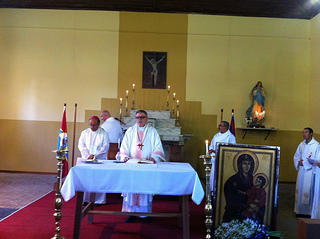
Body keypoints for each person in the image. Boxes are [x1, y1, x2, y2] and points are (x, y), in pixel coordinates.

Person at [118, 110, 165, 223]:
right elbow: (124, 146)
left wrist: (154, 157)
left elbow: (158, 147)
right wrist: (124, 157)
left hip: (146, 166)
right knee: (131, 187)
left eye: (142, 117)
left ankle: (145, 214)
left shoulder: (153, 131)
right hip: (132, 165)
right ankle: (131, 213)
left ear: (147, 119)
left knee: (145, 188)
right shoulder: (130, 131)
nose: (139, 119)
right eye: (138, 117)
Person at [78, 116, 109, 205]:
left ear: (99, 124)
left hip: (99, 160)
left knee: (99, 180)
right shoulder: (85, 133)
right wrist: (88, 156)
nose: (92, 127)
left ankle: (99, 200)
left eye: (94, 125)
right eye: (90, 125)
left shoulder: (104, 133)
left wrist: (94, 155)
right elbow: (81, 145)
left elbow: (105, 147)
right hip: (87, 160)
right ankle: (86, 200)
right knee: (87, 179)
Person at [293, 127, 319, 216]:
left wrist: (306, 163)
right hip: (301, 171)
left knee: (308, 190)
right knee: (300, 190)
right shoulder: (302, 144)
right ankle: (299, 211)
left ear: (311, 134)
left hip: (310, 172)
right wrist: (298, 162)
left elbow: (317, 159)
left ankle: (308, 212)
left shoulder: (316, 145)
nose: (304, 134)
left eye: (306, 132)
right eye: (303, 132)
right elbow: (296, 156)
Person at [223, 153, 255, 222]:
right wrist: (247, 206)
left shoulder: (255, 180)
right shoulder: (232, 181)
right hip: (234, 215)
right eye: (244, 164)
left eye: (249, 164)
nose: (247, 166)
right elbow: (231, 201)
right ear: (240, 165)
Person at [209, 121, 236, 192]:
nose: (219, 127)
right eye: (219, 125)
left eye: (220, 125)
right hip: (215, 160)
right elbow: (211, 145)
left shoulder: (230, 137)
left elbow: (233, 149)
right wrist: (211, 150)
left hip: (224, 161)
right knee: (213, 177)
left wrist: (218, 151)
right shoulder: (216, 135)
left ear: (225, 127)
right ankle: (212, 193)